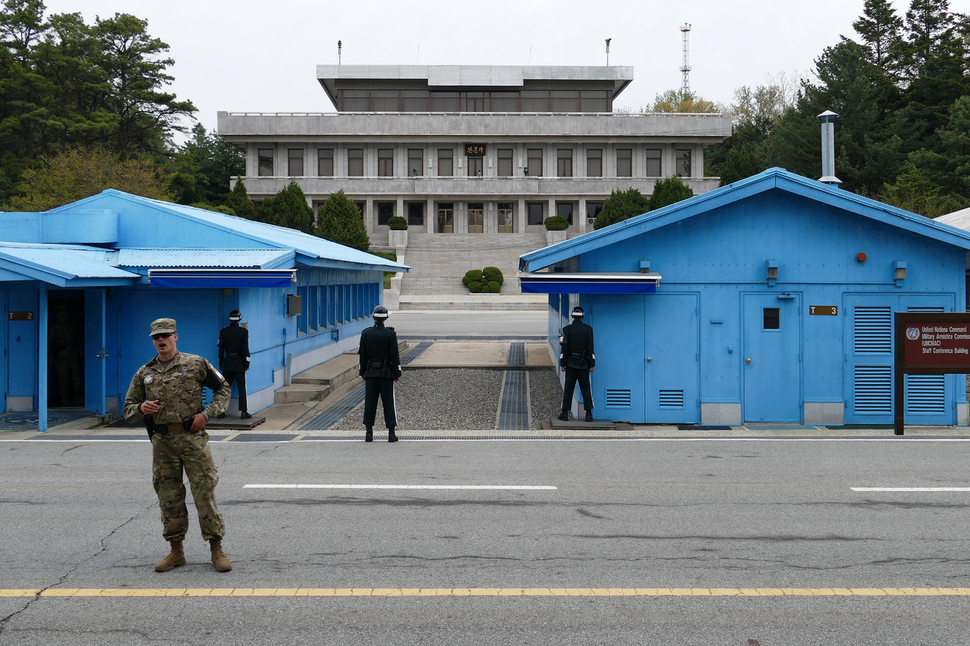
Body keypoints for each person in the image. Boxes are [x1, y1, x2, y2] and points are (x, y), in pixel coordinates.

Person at [123, 318, 233, 573]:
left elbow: (223, 388)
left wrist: (206, 415)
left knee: (204, 492)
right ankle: (176, 551)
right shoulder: (144, 372)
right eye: (156, 337)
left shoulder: (195, 363)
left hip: (192, 439)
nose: (160, 340)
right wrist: (141, 407)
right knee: (169, 497)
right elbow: (128, 409)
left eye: (165, 335)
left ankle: (217, 548)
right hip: (163, 444)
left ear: (175, 336)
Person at [358, 305, 402, 442]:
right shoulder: (390, 334)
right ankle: (391, 433)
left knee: (370, 403)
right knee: (388, 403)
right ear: (386, 318)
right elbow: (395, 356)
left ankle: (369, 433)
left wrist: (363, 372)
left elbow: (362, 355)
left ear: (373, 317)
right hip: (386, 374)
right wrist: (397, 373)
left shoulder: (366, 333)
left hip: (371, 373)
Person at [559, 306, 595, 422]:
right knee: (586, 389)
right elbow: (590, 348)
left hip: (570, 364)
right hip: (583, 364)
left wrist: (563, 363)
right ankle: (588, 414)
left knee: (569, 389)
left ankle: (564, 413)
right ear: (582, 317)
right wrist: (592, 364)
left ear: (572, 316)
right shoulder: (588, 330)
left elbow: (564, 349)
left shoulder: (566, 329)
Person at [217, 310, 251, 419]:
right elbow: (245, 349)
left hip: (227, 363)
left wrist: (222, 363)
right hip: (239, 363)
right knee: (241, 388)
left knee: (224, 388)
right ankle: (243, 412)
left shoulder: (224, 332)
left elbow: (221, 349)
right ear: (239, 319)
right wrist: (246, 363)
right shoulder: (243, 332)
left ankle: (221, 411)